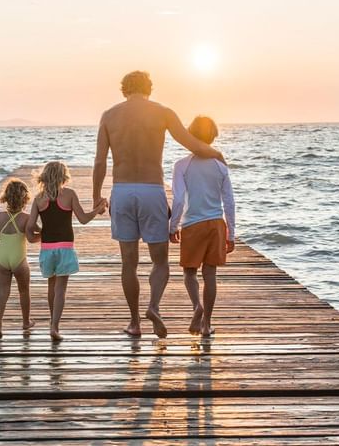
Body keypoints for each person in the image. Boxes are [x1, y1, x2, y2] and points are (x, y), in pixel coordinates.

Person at [93, 70, 225, 338]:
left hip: (121, 189)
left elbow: (99, 162)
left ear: (124, 89)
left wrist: (97, 196)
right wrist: (217, 154)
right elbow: (192, 144)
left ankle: (134, 323)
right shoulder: (163, 112)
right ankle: (153, 306)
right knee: (160, 261)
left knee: (128, 262)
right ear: (149, 88)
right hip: (152, 189)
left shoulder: (109, 116)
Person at [169, 116, 236, 337]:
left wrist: (172, 226)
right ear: (213, 136)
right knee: (210, 274)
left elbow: (178, 200)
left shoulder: (182, 166)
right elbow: (229, 202)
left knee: (189, 273)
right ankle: (207, 324)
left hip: (192, 224)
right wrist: (231, 234)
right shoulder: (220, 166)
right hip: (216, 224)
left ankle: (197, 306)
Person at [26, 161, 106, 341]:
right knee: (61, 289)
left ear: (44, 177)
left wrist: (39, 236)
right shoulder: (69, 195)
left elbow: (30, 227)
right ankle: (55, 326)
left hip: (47, 249)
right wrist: (98, 209)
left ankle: (51, 323)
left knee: (51, 286)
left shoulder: (39, 199)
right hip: (65, 248)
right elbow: (84, 219)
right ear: (63, 177)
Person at [0, 178, 38, 340]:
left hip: (2, 259)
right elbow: (34, 235)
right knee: (24, 291)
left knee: (2, 292)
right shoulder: (26, 218)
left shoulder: (1, 216)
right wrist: (43, 234)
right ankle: (25, 321)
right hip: (19, 261)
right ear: (25, 199)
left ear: (6, 198)